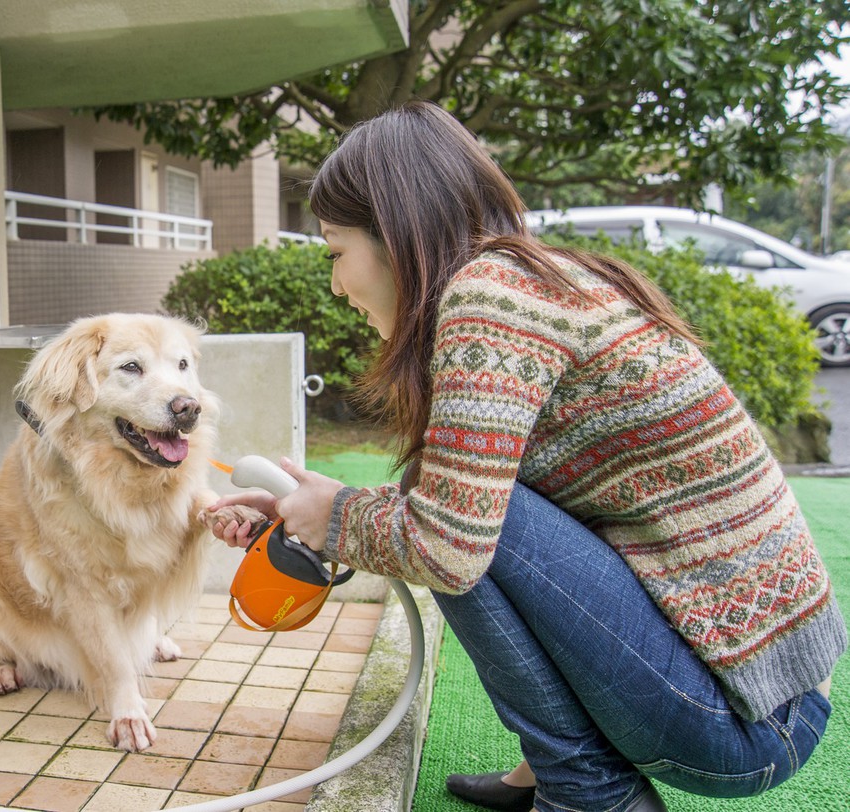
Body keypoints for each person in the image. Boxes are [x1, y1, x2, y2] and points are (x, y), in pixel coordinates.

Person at [206, 100, 844, 812]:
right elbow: (470, 517)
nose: (334, 285)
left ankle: (586, 792)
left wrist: (338, 516)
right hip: (764, 693)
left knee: (453, 513)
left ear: (395, 230)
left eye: (334, 252)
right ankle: (556, 773)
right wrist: (315, 512)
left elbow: (448, 543)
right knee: (451, 500)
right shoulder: (528, 280)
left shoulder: (488, 297)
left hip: (744, 721)